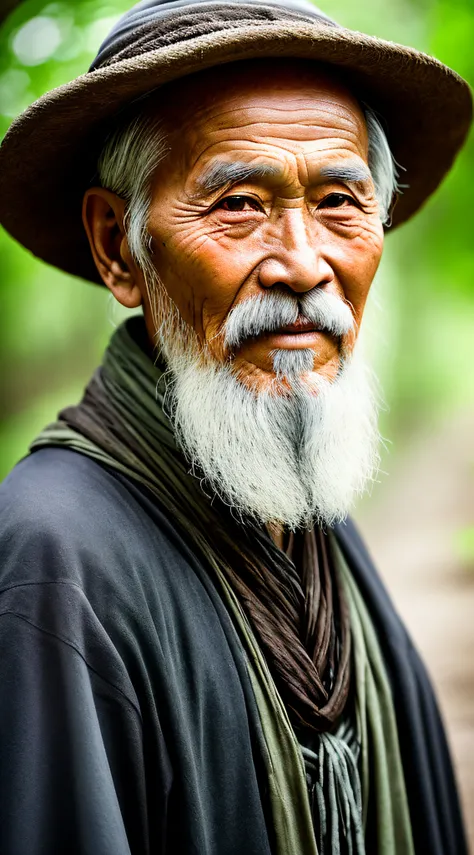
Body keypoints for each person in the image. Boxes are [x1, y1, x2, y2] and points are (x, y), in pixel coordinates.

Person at [0, 0, 471, 853]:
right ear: (120, 248)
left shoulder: (304, 509)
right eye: (241, 204)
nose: (301, 261)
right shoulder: (51, 555)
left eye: (338, 201)